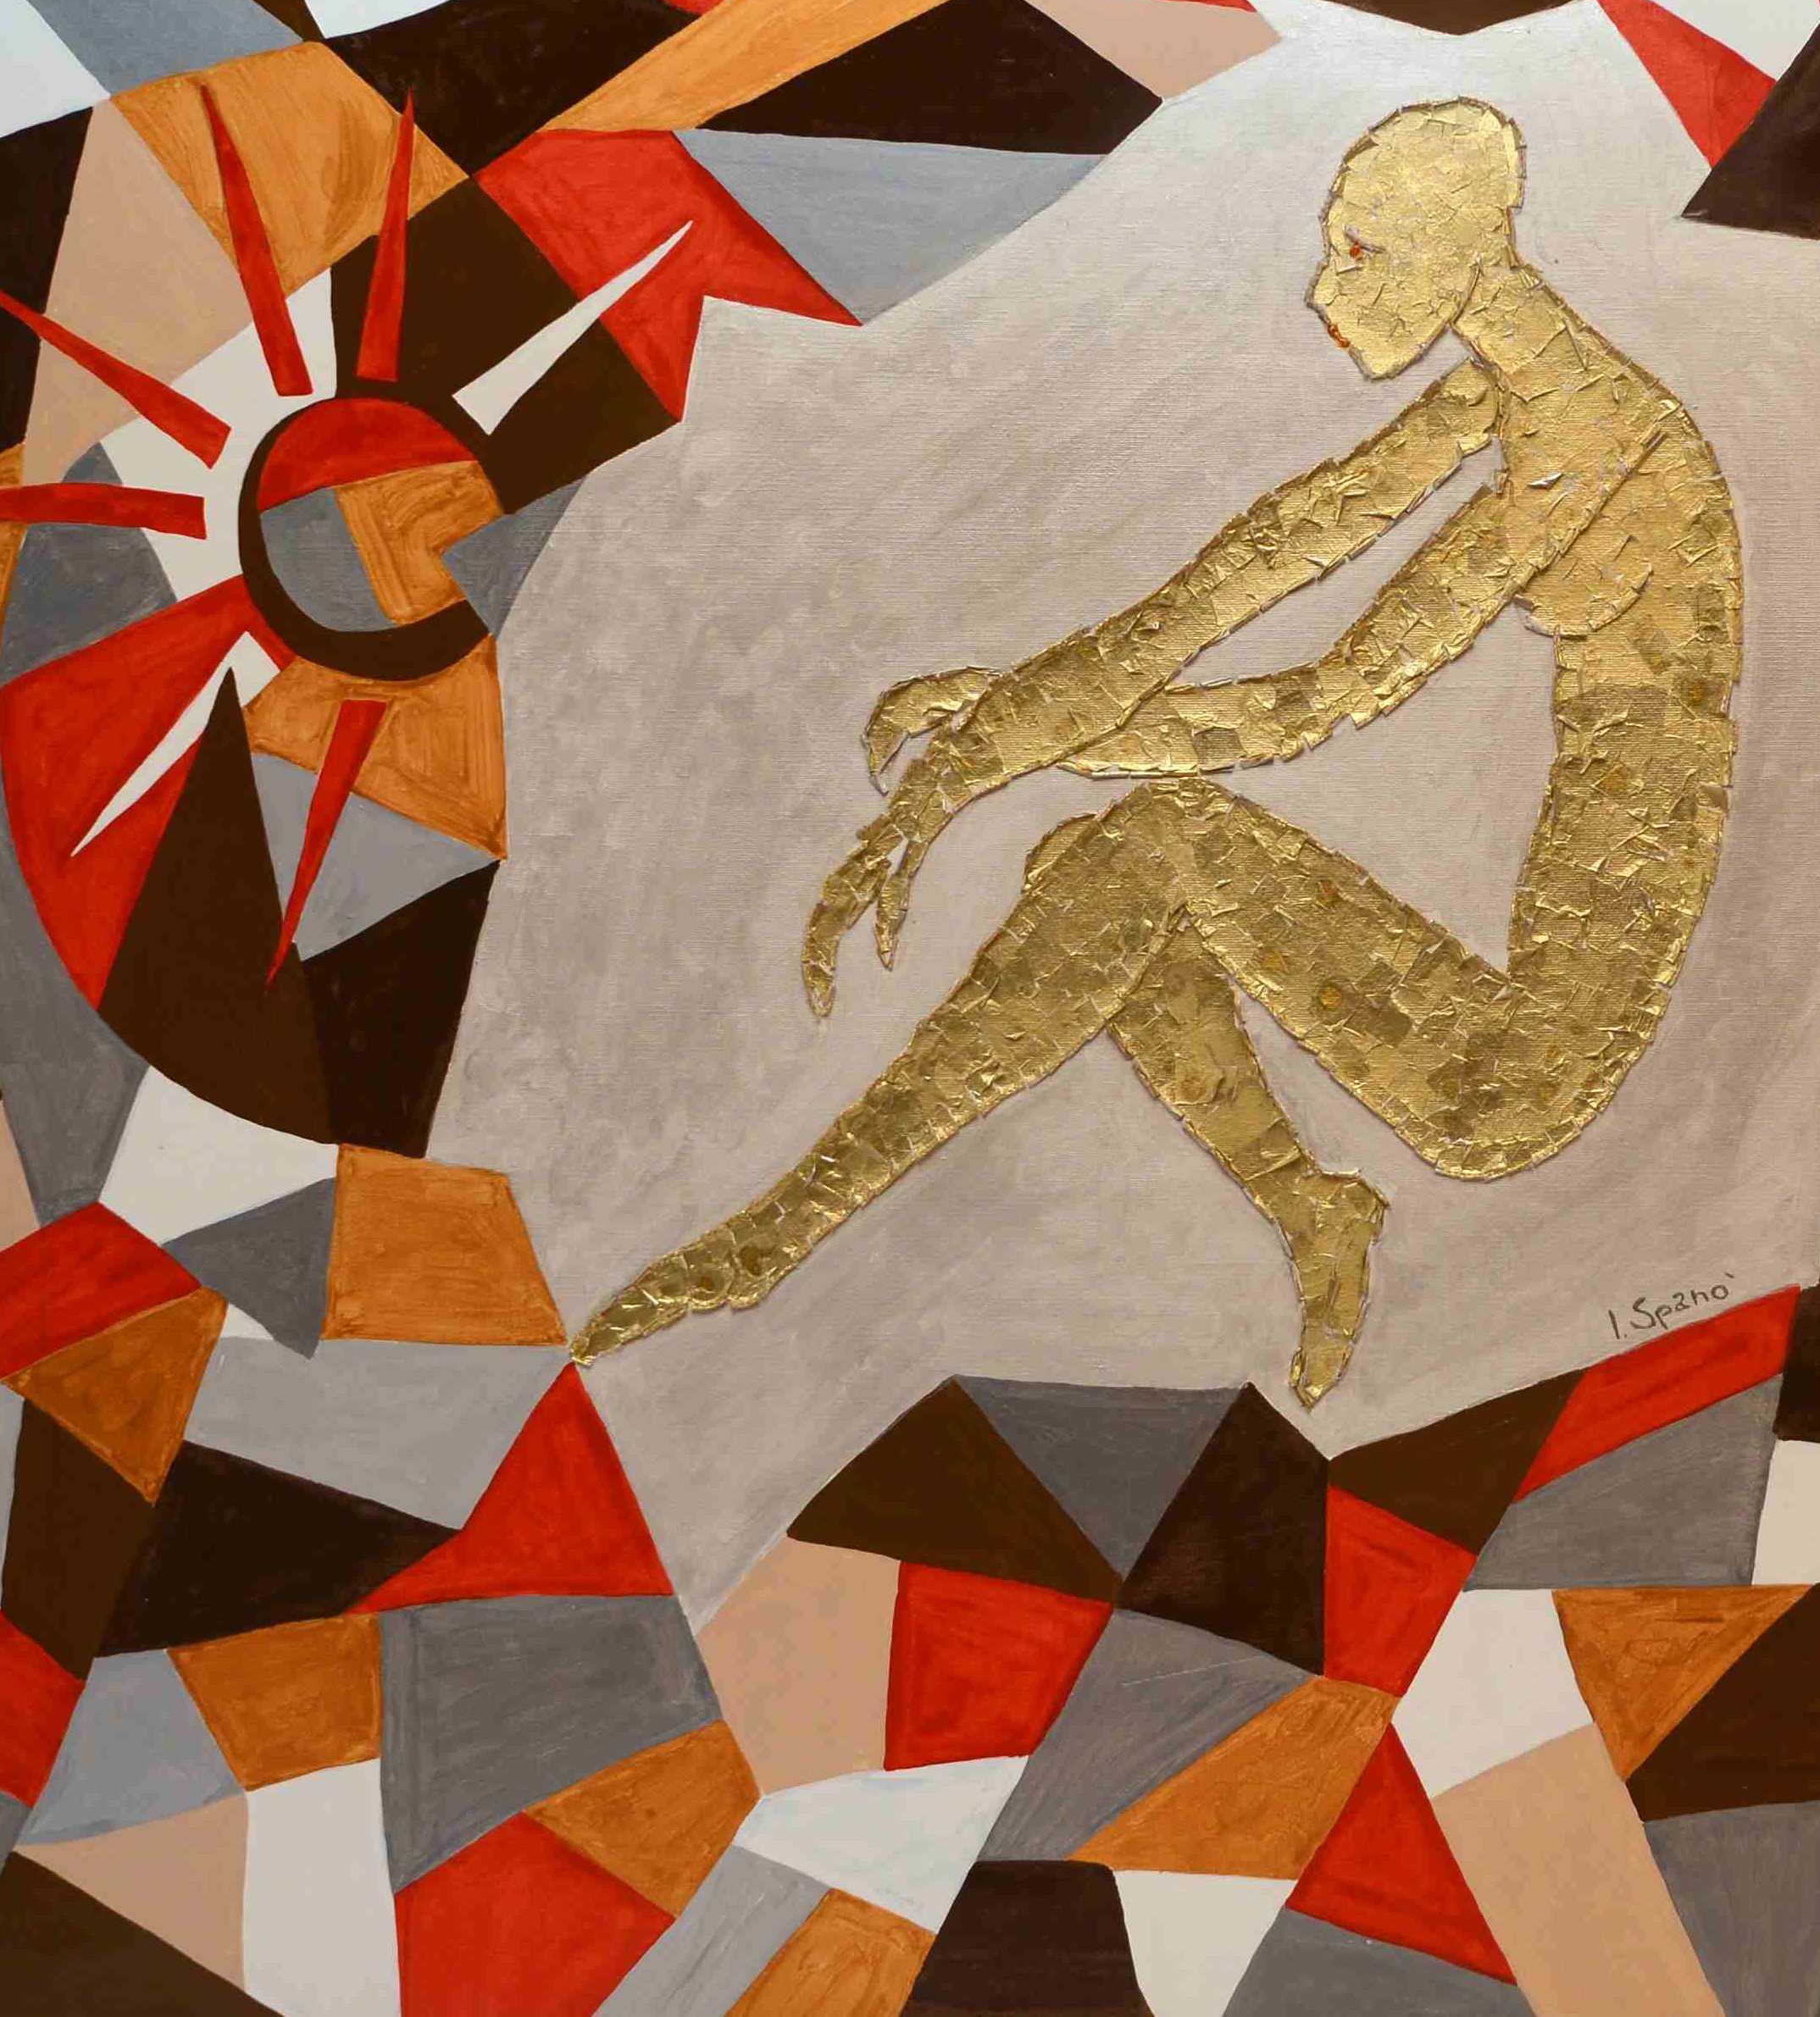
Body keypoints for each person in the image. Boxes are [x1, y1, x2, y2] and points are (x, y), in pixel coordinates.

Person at [573, 99, 1742, 1405]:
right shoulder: (1503, 394)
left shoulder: (1600, 437)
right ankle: (1310, 1208)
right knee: (1089, 872)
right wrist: (990, 736)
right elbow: (1236, 577)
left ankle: (775, 1236)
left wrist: (1008, 750)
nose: (1324, 288)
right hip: (1501, 1042)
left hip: (1519, 1077)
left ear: (1466, 249)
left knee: (1156, 843)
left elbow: (1317, 700)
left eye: (1359, 252)